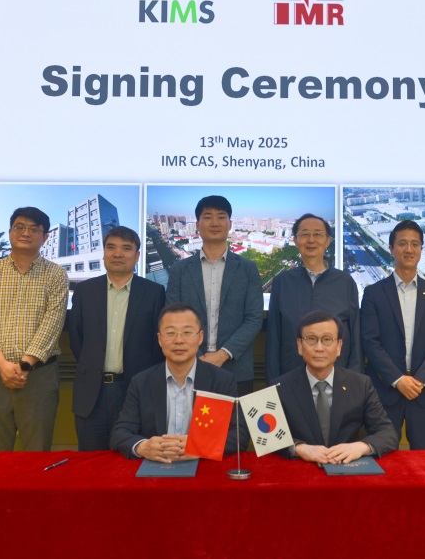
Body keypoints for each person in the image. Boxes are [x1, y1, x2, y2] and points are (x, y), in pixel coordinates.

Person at [0, 207, 69, 460]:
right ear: (10, 232)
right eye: (20, 227)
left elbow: (53, 323)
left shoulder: (56, 274)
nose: (26, 233)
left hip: (39, 377)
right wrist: (2, 365)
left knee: (37, 455)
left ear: (45, 237)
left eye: (34, 229)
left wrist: (25, 365)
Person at [67, 226, 165, 451]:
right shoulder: (85, 291)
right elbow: (77, 339)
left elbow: (157, 345)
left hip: (135, 390)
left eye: (126, 248)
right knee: (92, 461)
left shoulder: (154, 292)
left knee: (133, 458)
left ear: (137, 256)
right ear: (104, 253)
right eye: (111, 247)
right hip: (92, 392)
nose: (117, 253)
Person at [360, 220, 425, 449]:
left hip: (424, 392)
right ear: (391, 248)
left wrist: (419, 380)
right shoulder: (373, 293)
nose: (409, 249)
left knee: (424, 460)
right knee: (383, 457)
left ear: (421, 249)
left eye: (415, 244)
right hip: (385, 390)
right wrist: (398, 379)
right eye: (402, 244)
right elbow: (370, 342)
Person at [110, 303, 243, 460]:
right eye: (170, 333)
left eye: (187, 332)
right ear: (160, 339)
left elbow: (239, 435)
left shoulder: (221, 381)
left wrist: (199, 446)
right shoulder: (141, 382)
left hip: (203, 466)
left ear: (200, 337)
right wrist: (143, 447)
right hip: (155, 467)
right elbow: (120, 432)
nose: (179, 340)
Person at [164, 195, 263, 395]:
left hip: (236, 370)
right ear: (197, 225)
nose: (215, 223)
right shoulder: (179, 270)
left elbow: (253, 318)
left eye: (221, 216)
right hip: (188, 367)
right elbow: (171, 319)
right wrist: (197, 357)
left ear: (230, 224)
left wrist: (223, 354)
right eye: (208, 217)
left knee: (235, 417)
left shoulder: (248, 269)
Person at [277, 310, 398, 463]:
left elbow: (388, 433)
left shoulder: (361, 385)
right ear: (300, 345)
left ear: (339, 346)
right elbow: (266, 436)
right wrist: (298, 448)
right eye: (311, 339)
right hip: (300, 469)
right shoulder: (280, 387)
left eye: (327, 339)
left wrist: (361, 447)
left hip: (346, 468)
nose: (319, 348)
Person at [265, 213, 360, 385]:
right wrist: (274, 383)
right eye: (304, 234)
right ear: (295, 241)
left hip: (338, 379)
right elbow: (274, 337)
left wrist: (355, 383)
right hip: (291, 378)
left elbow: (355, 337)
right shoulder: (282, 282)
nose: (311, 240)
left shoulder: (345, 282)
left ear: (327, 241)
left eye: (317, 234)